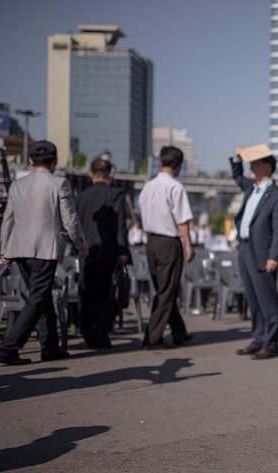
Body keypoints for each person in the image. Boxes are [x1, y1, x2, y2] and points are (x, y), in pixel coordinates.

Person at [0, 140, 88, 366]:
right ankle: (9, 348)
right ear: (54, 162)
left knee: (42, 296)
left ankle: (50, 346)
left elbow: (8, 218)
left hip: (19, 249)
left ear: (30, 161)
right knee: (37, 298)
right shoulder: (59, 183)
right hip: (45, 249)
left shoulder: (18, 185)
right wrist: (81, 244)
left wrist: (5, 249)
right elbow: (70, 219)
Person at [229, 143, 278, 359]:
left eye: (254, 163)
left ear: (266, 166)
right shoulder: (251, 188)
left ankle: (271, 344)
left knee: (267, 299)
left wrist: (274, 256)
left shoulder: (276, 195)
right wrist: (237, 158)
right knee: (253, 299)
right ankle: (258, 338)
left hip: (263, 253)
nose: (250, 167)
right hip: (245, 249)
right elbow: (237, 177)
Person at [138, 144, 195, 349]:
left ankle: (179, 331)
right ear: (178, 166)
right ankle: (152, 338)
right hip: (169, 242)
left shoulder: (148, 186)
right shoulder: (175, 187)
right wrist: (188, 244)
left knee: (164, 289)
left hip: (151, 241)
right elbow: (182, 220)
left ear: (160, 162)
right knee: (166, 292)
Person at [75, 156, 129, 350]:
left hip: (86, 251)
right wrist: (123, 250)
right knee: (105, 293)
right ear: (110, 174)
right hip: (108, 250)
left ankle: (87, 330)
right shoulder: (115, 194)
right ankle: (101, 332)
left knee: (86, 291)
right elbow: (120, 225)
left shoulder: (80, 197)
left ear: (91, 174)